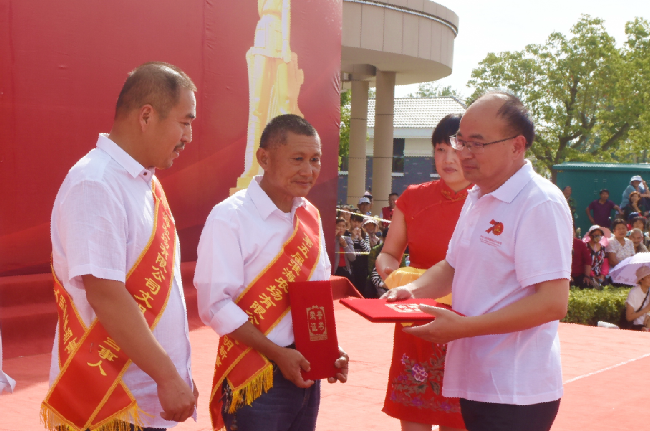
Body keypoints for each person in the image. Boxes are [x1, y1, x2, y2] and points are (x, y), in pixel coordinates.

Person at [385, 91, 572, 431]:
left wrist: (464, 328)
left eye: (477, 144)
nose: (463, 153)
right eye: (461, 141)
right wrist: (411, 290)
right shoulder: (478, 195)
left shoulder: (538, 202)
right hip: (476, 380)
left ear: (517, 146)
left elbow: (552, 302)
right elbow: (452, 267)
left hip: (515, 390)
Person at [44, 62, 198, 431]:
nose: (189, 136)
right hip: (107, 402)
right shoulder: (95, 182)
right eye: (184, 122)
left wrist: (176, 373)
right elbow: (106, 294)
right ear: (146, 116)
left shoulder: (145, 183)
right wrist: (168, 375)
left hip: (144, 400)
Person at [194, 114, 348, 431]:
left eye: (315, 159)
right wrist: (278, 354)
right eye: (297, 159)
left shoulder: (310, 215)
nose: (308, 170)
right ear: (264, 158)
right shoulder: (230, 217)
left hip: (305, 367)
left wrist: (329, 349)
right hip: (254, 371)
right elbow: (215, 305)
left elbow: (316, 293)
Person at [376, 113, 470, 431]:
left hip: (466, 324)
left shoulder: (488, 202)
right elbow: (389, 253)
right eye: (440, 149)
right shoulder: (413, 198)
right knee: (414, 413)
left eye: (456, 149)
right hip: (415, 320)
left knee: (460, 420)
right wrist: (394, 277)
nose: (448, 159)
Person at [624, 265, 650, 331]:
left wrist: (648, 314)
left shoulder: (649, 291)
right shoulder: (633, 293)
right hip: (637, 327)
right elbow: (629, 317)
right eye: (648, 277)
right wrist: (645, 310)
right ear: (641, 279)